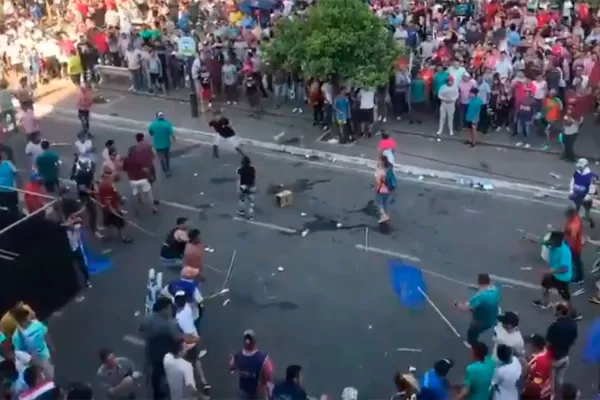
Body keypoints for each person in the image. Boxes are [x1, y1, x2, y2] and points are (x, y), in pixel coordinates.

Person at [139, 297, 181, 400]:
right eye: (169, 309)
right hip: (167, 358)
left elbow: (141, 330)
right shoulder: (170, 324)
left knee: (154, 383)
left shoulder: (147, 319)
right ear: (164, 309)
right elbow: (177, 339)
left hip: (151, 357)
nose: (170, 311)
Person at [533, 231, 580, 319]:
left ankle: (574, 314)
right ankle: (545, 302)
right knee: (544, 284)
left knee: (565, 297)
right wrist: (533, 240)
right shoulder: (553, 243)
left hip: (562, 277)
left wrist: (548, 272)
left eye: (552, 242)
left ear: (557, 242)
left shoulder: (564, 252)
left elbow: (564, 269)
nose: (550, 243)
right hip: (553, 272)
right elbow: (544, 242)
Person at [455, 273, 500, 345]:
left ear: (479, 281)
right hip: (493, 317)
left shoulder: (479, 297)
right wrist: (476, 288)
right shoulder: (495, 289)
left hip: (482, 321)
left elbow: (464, 308)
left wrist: (457, 304)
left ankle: (472, 344)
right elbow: (485, 289)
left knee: (471, 332)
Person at [11, 307, 54, 381]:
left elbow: (49, 337)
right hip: (38, 365)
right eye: (21, 317)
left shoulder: (37, 324)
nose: (25, 318)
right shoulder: (17, 336)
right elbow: (21, 355)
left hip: (49, 357)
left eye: (24, 315)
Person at [229, 330, 274, 399]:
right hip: (258, 394)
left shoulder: (237, 356)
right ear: (254, 341)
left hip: (243, 391)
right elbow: (269, 377)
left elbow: (231, 367)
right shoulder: (263, 359)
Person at [546, 302, 578, 394]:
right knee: (560, 380)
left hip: (554, 358)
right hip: (565, 356)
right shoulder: (573, 324)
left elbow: (548, 343)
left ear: (559, 311)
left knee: (551, 383)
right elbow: (574, 339)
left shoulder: (554, 326)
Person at [97, 166, 131, 243]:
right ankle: (123, 237)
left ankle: (108, 236)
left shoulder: (104, 182)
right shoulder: (108, 186)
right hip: (112, 209)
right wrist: (116, 212)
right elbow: (108, 202)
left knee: (108, 223)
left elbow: (113, 195)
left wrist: (120, 198)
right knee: (120, 224)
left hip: (106, 208)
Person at [122, 145, 158, 214]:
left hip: (133, 180)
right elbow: (145, 170)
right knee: (149, 195)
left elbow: (125, 170)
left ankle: (136, 209)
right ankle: (153, 208)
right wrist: (150, 176)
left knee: (135, 193)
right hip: (142, 179)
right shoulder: (139, 159)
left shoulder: (126, 160)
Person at [521, 334, 552, 400]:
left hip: (537, 394)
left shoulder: (537, 363)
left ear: (535, 348)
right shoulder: (546, 351)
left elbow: (536, 384)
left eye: (530, 345)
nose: (527, 346)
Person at [569, 158, 596, 229]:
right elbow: (572, 181)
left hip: (585, 198)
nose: (579, 168)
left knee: (585, 215)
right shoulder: (577, 173)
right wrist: (571, 190)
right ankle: (576, 225)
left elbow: (592, 188)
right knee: (576, 211)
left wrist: (588, 196)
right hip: (577, 196)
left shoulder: (592, 176)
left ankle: (590, 221)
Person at [148, 112, 175, 177]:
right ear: (163, 116)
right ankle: (167, 168)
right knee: (167, 157)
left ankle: (164, 169)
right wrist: (174, 139)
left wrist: (153, 134)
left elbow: (150, 131)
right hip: (166, 144)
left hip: (157, 145)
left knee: (161, 158)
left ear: (157, 117)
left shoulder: (153, 124)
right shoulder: (167, 124)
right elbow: (172, 133)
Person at [563, 207, 584, 288]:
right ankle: (579, 276)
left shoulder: (574, 225)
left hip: (574, 246)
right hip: (575, 244)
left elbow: (573, 237)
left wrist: (568, 246)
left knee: (576, 261)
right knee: (577, 261)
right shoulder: (576, 218)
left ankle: (578, 278)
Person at [375, 154, 396, 224]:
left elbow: (380, 180)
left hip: (382, 189)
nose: (378, 161)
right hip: (387, 189)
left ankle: (384, 216)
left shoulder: (383, 170)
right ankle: (384, 215)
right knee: (384, 203)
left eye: (379, 160)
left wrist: (377, 187)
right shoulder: (388, 168)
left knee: (379, 203)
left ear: (382, 161)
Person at [0, 149, 19, 213]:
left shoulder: (8, 163)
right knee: (13, 207)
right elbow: (15, 172)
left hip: (1, 191)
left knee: (3, 208)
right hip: (11, 190)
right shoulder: (8, 163)